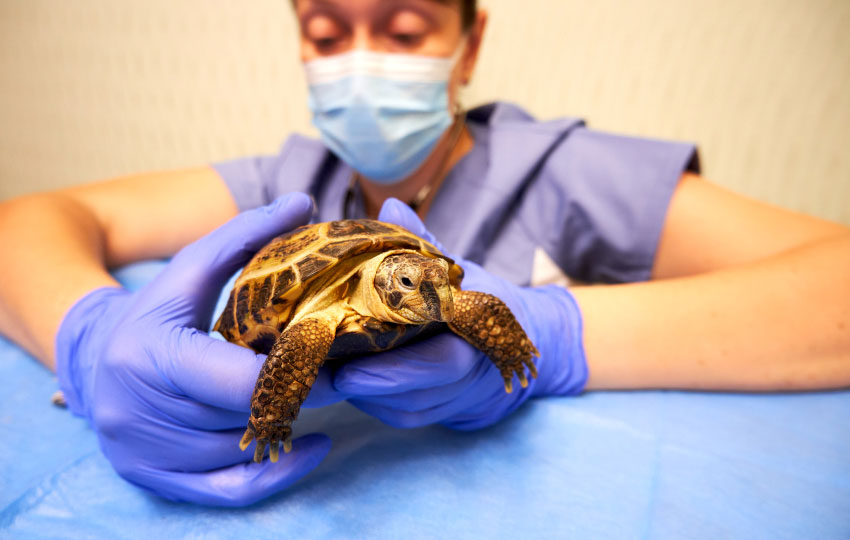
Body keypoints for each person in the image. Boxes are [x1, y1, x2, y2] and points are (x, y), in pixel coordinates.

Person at [0, 0, 848, 506]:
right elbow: (24, 221)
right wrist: (88, 334)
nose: (363, 62)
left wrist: (549, 333)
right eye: (327, 33)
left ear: (470, 45)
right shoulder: (288, 183)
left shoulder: (571, 173)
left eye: (404, 31)